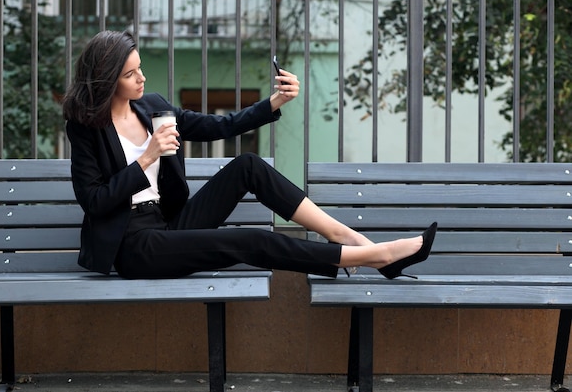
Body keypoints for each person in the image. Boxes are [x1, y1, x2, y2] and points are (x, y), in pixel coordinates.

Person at [62, 30, 436, 280]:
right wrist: (146, 159)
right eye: (131, 74)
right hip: (134, 246)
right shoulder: (85, 127)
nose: (142, 77)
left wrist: (273, 102)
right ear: (108, 79)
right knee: (247, 240)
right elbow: (94, 201)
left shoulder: (153, 108)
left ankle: (349, 238)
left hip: (168, 224)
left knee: (248, 166)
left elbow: (217, 127)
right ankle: (377, 257)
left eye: (141, 67)